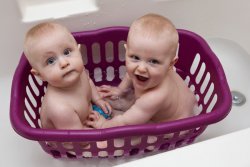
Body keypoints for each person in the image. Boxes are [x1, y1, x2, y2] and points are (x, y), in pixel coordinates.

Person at [86, 13, 197, 129]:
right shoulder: (152, 72)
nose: (141, 68)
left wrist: (104, 124)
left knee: (136, 132)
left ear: (171, 64)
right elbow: (130, 75)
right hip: (179, 101)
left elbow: (126, 122)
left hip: (176, 123)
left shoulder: (154, 97)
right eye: (135, 57)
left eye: (153, 61)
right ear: (126, 51)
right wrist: (120, 90)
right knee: (122, 96)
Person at [23, 22, 112, 133]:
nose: (64, 63)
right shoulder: (60, 108)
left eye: (67, 52)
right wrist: (102, 127)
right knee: (114, 142)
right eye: (51, 61)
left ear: (78, 50)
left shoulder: (79, 72)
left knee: (116, 109)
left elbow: (88, 82)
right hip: (71, 142)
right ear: (40, 75)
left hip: (86, 118)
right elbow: (79, 141)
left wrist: (97, 100)